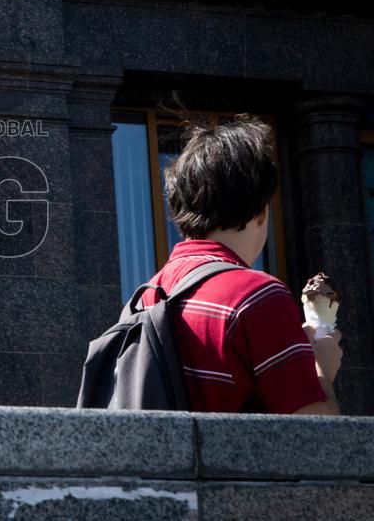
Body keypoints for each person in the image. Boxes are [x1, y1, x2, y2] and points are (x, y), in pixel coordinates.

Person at [141, 115, 342, 414]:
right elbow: (317, 437)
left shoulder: (149, 294)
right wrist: (322, 368)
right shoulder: (257, 296)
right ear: (261, 213)